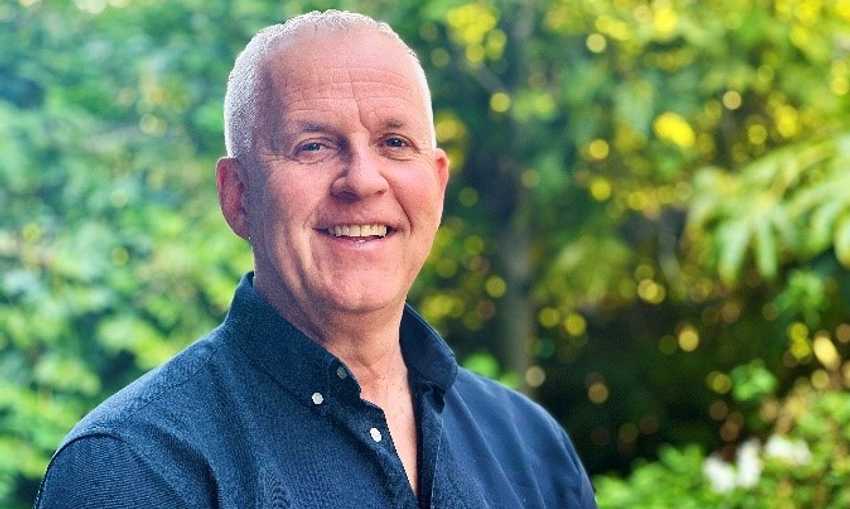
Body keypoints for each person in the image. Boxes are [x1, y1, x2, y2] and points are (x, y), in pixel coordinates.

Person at [35, 10, 596, 509]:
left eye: (395, 143)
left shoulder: (531, 445)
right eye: (314, 145)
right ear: (239, 196)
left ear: (438, 183)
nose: (363, 181)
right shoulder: (133, 470)